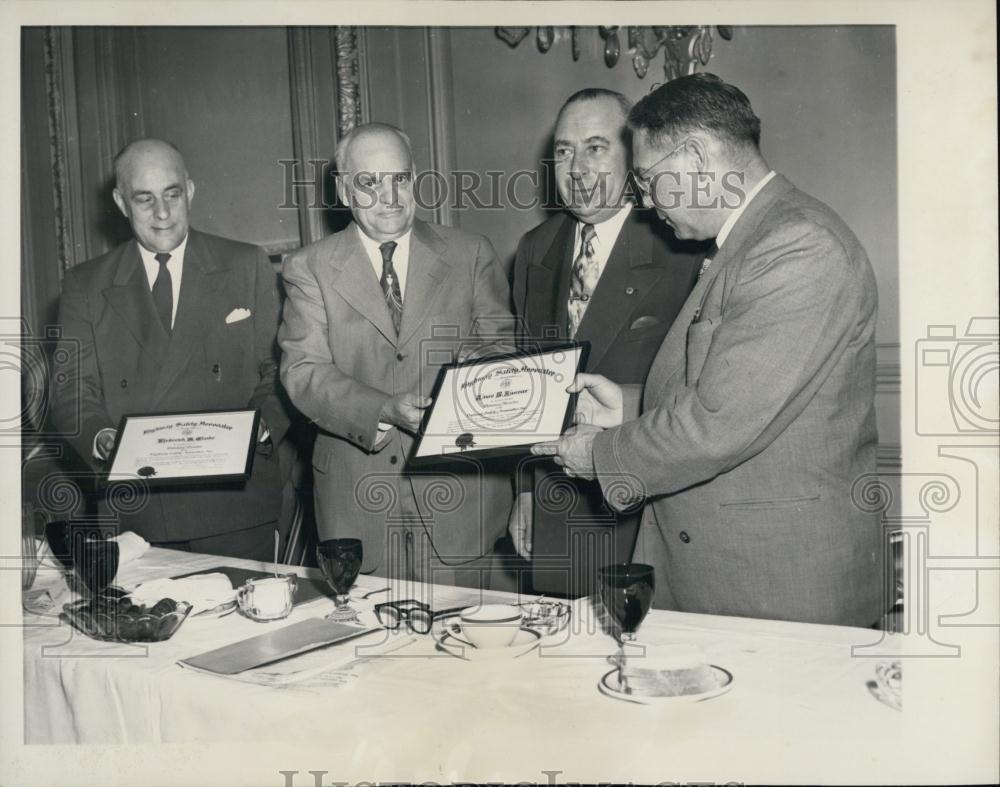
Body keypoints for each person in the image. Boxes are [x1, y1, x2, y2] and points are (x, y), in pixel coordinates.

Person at [534, 74, 884, 627]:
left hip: (780, 586)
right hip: (727, 576)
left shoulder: (799, 246)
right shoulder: (746, 243)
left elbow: (718, 423)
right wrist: (627, 406)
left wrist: (598, 455)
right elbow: (722, 391)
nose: (644, 202)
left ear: (695, 156)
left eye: (648, 178)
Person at [278, 122, 514, 588]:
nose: (389, 196)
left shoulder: (471, 254)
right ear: (344, 191)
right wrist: (383, 409)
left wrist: (469, 377)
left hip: (462, 499)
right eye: (369, 182)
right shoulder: (310, 268)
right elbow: (304, 372)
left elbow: (501, 353)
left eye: (399, 178)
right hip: (358, 506)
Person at [51, 138, 290, 561]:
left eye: (172, 194)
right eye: (144, 199)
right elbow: (71, 391)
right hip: (139, 512)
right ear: (121, 203)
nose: (161, 213)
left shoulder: (246, 264)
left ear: (191, 192)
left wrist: (261, 427)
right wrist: (103, 436)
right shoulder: (85, 285)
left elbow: (279, 371)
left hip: (235, 504)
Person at [509, 88, 703, 597]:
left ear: (632, 156)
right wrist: (524, 491)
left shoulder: (681, 242)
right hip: (558, 502)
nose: (576, 167)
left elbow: (707, 393)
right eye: (564, 150)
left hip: (649, 499)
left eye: (595, 147)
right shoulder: (535, 249)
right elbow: (532, 382)